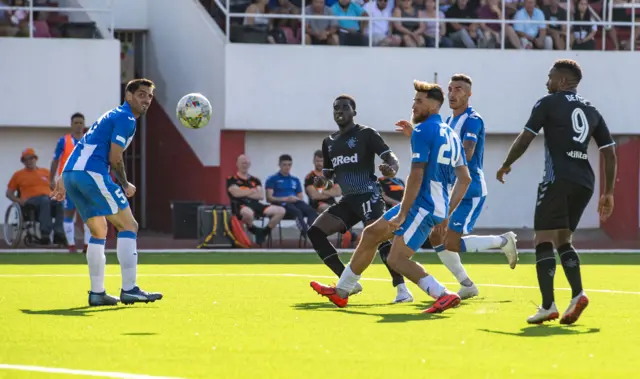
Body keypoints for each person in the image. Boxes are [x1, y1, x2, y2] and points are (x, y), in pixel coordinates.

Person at [311, 81, 470, 313]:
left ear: (434, 106)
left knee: (397, 259)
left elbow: (417, 174)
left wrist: (404, 212)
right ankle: (343, 290)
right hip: (430, 206)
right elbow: (464, 179)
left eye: (419, 101)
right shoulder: (450, 135)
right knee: (371, 233)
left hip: (420, 206)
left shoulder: (423, 131)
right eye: (414, 100)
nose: (413, 106)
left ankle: (442, 293)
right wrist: (446, 210)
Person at [496, 59, 617, 325]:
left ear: (562, 81)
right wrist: (608, 192)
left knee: (542, 239)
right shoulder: (593, 110)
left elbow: (526, 136)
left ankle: (548, 305)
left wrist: (507, 163)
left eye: (550, 77)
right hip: (585, 182)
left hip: (557, 179)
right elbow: (609, 151)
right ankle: (577, 294)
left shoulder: (547, 102)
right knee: (564, 239)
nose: (546, 82)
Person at [396, 74, 519, 300]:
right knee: (436, 237)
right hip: (452, 187)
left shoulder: (473, 119)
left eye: (459, 89)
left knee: (450, 241)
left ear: (469, 94)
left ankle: (503, 241)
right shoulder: (448, 122)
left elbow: (467, 152)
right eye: (451, 89)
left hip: (470, 189)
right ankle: (467, 284)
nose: (453, 93)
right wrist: (415, 136)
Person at [51, 78, 163, 307]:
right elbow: (115, 157)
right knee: (129, 226)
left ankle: (97, 293)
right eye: (141, 94)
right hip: (92, 174)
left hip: (74, 174)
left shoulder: (111, 115)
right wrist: (124, 183)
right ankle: (130, 289)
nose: (146, 100)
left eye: (150, 96)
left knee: (99, 230)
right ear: (128, 96)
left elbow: (85, 144)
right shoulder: (126, 117)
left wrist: (64, 176)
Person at [308, 95, 413, 304]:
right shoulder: (328, 142)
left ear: (354, 112)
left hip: (369, 195)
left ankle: (402, 289)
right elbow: (329, 181)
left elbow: (391, 158)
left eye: (345, 108)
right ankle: (347, 282)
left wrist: (391, 170)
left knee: (378, 237)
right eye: (336, 108)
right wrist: (322, 183)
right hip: (349, 200)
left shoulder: (366, 134)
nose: (340, 111)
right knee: (315, 232)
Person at [50, 112, 91, 253]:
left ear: (84, 124)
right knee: (68, 213)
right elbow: (56, 160)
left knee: (87, 213)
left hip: (85, 183)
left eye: (81, 123)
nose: (79, 125)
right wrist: (51, 179)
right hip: (68, 183)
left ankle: (86, 245)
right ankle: (72, 245)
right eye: (76, 123)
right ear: (71, 125)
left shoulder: (90, 140)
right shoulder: (63, 141)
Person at [6, 148, 65, 245]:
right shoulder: (18, 175)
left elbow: (54, 187)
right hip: (30, 201)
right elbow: (9, 193)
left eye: (31, 158)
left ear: (35, 159)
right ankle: (45, 233)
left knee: (59, 201)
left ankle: (58, 233)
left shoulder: (46, 172)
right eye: (26, 159)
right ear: (23, 162)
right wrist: (19, 200)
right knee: (45, 200)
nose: (29, 161)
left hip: (48, 198)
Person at [227, 154, 286, 245]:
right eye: (243, 163)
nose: (245, 165)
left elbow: (261, 196)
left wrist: (243, 191)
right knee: (248, 213)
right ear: (237, 164)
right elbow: (235, 193)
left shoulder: (255, 180)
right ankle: (253, 229)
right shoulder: (231, 179)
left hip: (256, 205)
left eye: (247, 163)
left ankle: (263, 232)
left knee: (281, 210)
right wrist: (252, 191)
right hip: (240, 205)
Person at [265, 155, 318, 238]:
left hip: (295, 201)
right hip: (281, 204)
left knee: (311, 211)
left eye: (289, 165)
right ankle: (306, 233)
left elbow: (300, 197)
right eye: (284, 165)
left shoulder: (295, 180)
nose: (287, 167)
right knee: (297, 211)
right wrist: (285, 199)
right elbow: (269, 198)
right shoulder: (272, 179)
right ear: (279, 165)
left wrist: (295, 198)